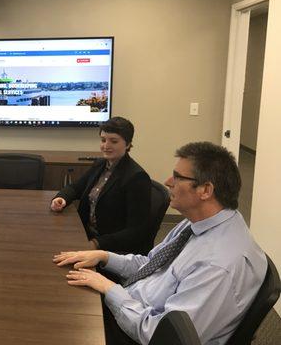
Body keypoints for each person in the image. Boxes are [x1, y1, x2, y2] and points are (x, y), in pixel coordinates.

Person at [53, 142, 267, 345]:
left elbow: (162, 335)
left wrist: (110, 289)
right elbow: (151, 263)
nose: (168, 182)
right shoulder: (197, 224)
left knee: (58, 325)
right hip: (135, 305)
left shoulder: (217, 265)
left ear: (205, 190)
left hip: (139, 332)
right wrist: (105, 257)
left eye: (177, 177)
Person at [50, 117, 152, 254]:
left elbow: (136, 231)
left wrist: (96, 244)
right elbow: (75, 187)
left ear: (127, 144)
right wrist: (61, 198)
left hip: (111, 247)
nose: (106, 146)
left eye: (113, 141)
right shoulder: (100, 164)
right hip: (87, 233)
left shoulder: (137, 178)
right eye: (103, 140)